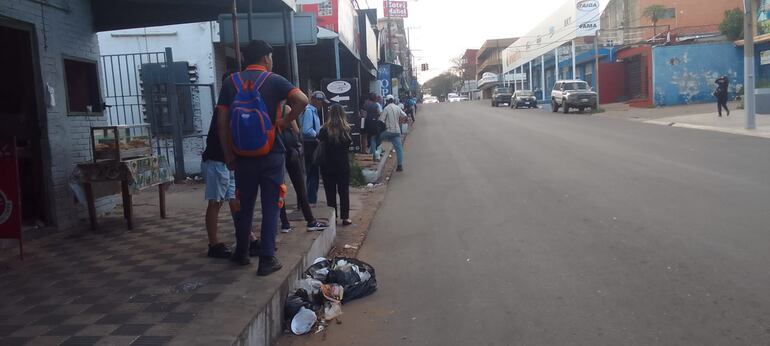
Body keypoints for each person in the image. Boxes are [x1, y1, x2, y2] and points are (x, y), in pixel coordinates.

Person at [216, 40, 309, 276]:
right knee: (271, 205)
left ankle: (242, 252)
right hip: (271, 153)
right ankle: (267, 258)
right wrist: (285, 122)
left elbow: (222, 124)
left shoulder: (230, 83)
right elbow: (302, 100)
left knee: (243, 204)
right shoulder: (275, 80)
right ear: (266, 57)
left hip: (242, 156)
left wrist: (228, 154)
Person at [277, 103, 329, 233]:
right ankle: (310, 221)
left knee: (279, 188)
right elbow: (296, 130)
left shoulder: (266, 108)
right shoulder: (286, 108)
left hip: (275, 151)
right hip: (290, 151)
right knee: (300, 186)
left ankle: (284, 223)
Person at [318, 104, 353, 226]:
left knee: (330, 192)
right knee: (344, 191)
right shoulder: (347, 129)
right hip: (343, 165)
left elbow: (320, 144)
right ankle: (345, 217)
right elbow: (347, 146)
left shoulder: (323, 130)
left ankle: (332, 217)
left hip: (327, 166)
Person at [301, 91, 325, 205]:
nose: (321, 105)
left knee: (314, 173)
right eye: (320, 101)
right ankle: (310, 200)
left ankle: (311, 198)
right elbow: (306, 130)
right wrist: (317, 134)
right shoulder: (309, 112)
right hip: (310, 145)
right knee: (312, 173)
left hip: (312, 144)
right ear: (315, 100)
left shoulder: (314, 112)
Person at [380, 94, 408, 172]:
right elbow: (405, 115)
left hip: (388, 131)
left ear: (387, 101)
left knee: (377, 138)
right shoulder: (397, 108)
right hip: (397, 132)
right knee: (399, 149)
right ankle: (399, 166)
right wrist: (401, 121)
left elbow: (381, 120)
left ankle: (377, 153)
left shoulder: (386, 108)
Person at [364, 93, 384, 161]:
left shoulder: (366, 105)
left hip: (367, 123)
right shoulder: (376, 105)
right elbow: (379, 113)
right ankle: (374, 156)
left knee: (370, 138)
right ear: (375, 98)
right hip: (375, 123)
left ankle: (372, 153)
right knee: (374, 139)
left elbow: (364, 114)